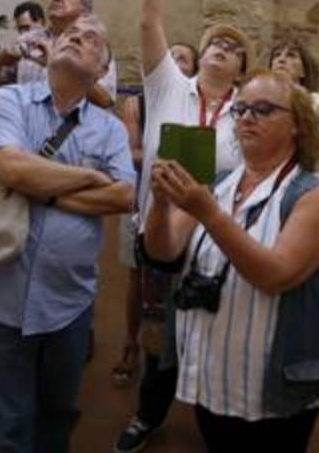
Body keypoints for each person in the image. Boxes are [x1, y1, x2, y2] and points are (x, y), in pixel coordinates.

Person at [114, 0, 253, 453]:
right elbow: (149, 24)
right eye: (214, 41)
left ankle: (216, 420)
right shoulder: (169, 87)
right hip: (159, 233)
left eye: (233, 47)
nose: (220, 47)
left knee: (213, 329)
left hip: (216, 240)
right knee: (158, 335)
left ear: (242, 67)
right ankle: (148, 415)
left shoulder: (247, 112)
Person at [141, 72, 319, 451]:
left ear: (297, 124)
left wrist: (210, 214)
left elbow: (275, 274)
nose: (247, 117)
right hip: (215, 375)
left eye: (263, 109)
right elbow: (163, 251)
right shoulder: (218, 184)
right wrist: (160, 203)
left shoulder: (312, 195)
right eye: (241, 109)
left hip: (273, 385)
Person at [0, 13, 135, 453]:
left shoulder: (110, 128)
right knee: (1, 428)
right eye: (70, 35)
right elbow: (11, 167)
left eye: (91, 40)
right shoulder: (9, 100)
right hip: (0, 295)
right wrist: (88, 177)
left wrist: (38, 186)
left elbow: (123, 196)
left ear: (102, 72)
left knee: (57, 418)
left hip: (68, 300)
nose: (75, 39)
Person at [111, 41, 204, 388]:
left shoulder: (198, 105)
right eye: (171, 55)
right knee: (138, 277)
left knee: (182, 278)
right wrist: (162, 151)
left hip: (181, 206)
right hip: (142, 198)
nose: (174, 61)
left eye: (183, 57)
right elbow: (130, 152)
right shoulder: (138, 103)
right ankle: (132, 343)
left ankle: (179, 353)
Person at [0, 0, 116, 107]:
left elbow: (105, 100)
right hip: (29, 128)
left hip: (75, 130)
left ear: (85, 10)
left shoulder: (95, 46)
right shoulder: (28, 40)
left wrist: (56, 64)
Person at [268, 38, 319, 115]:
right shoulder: (261, 99)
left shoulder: (317, 102)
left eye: (291, 55)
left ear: (303, 71)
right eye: (277, 55)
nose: (281, 59)